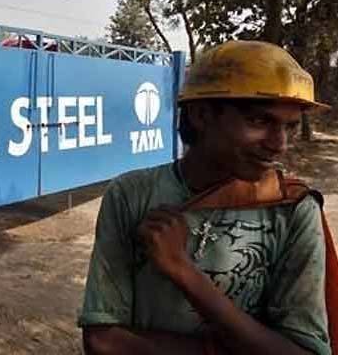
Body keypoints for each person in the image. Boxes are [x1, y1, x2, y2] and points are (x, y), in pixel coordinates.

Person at [78, 40, 333, 354]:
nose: (279, 144)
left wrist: (182, 269)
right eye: (259, 121)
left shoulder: (292, 208)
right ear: (201, 114)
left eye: (290, 127)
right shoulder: (132, 194)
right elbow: (102, 341)